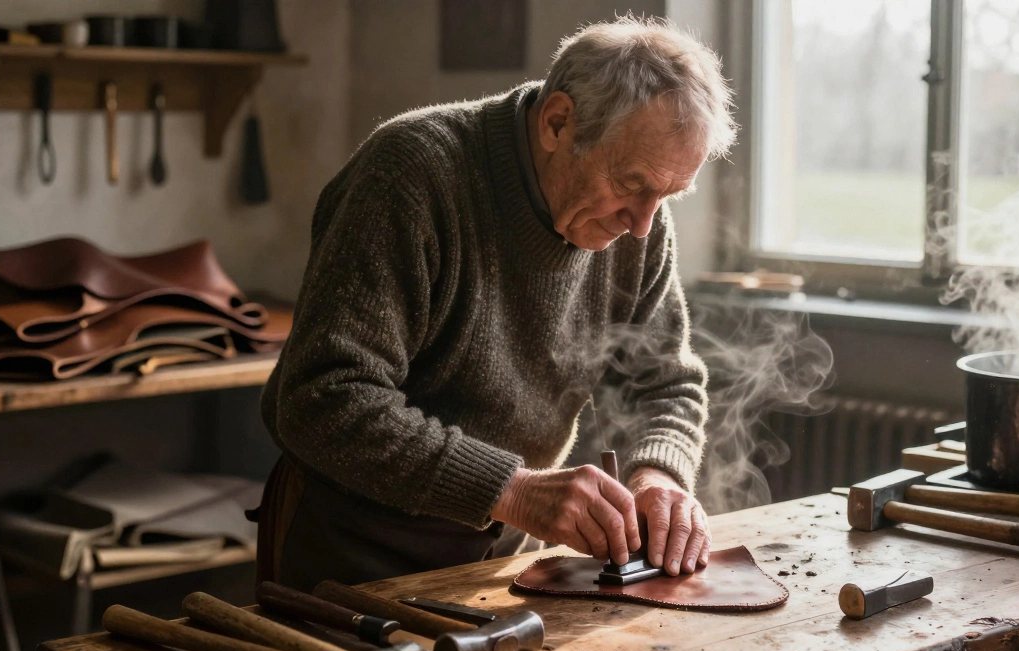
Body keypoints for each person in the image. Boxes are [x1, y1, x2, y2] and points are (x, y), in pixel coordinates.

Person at [257, 16, 737, 591]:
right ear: (558, 122)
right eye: (632, 183)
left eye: (668, 195)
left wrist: (659, 476)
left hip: (505, 557)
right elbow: (320, 400)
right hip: (353, 553)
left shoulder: (641, 227)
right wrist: (510, 491)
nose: (643, 225)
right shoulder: (412, 174)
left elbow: (665, 385)